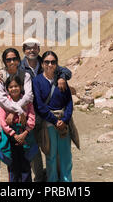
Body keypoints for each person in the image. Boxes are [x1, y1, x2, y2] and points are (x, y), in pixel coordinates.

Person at [0, 39, 72, 182]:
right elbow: (2, 91)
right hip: (15, 116)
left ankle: (47, 178)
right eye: (28, 48)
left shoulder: (46, 62)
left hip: (38, 114)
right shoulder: (18, 66)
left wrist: (62, 77)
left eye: (34, 48)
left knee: (44, 149)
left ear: (39, 49)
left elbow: (65, 71)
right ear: (23, 50)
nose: (31, 50)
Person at [0, 48, 33, 182]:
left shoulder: (26, 75)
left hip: (24, 118)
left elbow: (29, 95)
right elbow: (1, 99)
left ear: (19, 60)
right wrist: (17, 110)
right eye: (8, 59)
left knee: (31, 149)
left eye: (14, 59)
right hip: (3, 119)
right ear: (4, 61)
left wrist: (15, 111)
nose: (12, 62)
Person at [33, 51, 73, 182]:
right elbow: (39, 105)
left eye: (53, 62)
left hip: (64, 123)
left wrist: (65, 120)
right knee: (51, 156)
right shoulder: (37, 81)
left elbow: (69, 102)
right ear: (42, 64)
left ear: (56, 64)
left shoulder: (62, 80)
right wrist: (55, 121)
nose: (50, 65)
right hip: (49, 124)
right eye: (47, 62)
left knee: (65, 156)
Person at [0, 74, 37, 182]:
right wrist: (13, 134)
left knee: (26, 166)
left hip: (25, 136)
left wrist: (25, 133)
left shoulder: (27, 101)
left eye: (16, 86)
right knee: (13, 167)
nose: (14, 89)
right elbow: (2, 121)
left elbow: (32, 117)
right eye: (11, 87)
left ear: (21, 86)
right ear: (7, 89)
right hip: (11, 138)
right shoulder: (4, 103)